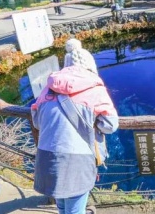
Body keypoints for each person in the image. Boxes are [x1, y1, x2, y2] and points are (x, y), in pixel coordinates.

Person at [31, 39, 117, 214]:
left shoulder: (48, 89)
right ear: (90, 66)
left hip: (47, 156)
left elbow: (37, 122)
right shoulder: (95, 88)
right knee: (75, 209)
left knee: (62, 202)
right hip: (76, 160)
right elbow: (110, 125)